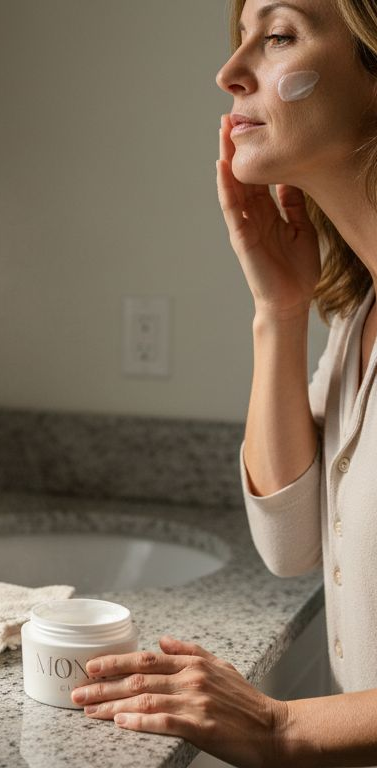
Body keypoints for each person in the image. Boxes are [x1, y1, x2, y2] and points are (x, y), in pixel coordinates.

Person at [69, 0, 377, 765]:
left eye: (276, 37)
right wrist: (280, 308)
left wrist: (285, 728)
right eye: (241, 39)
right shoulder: (361, 316)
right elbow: (292, 542)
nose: (229, 72)